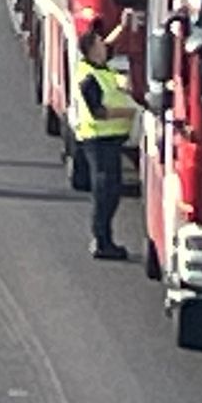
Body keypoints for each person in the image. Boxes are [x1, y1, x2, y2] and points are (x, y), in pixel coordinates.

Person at [75, 21, 136, 260]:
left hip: (110, 140)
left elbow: (110, 44)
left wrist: (123, 25)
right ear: (92, 50)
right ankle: (102, 241)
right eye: (99, 43)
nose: (104, 46)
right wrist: (132, 113)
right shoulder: (88, 78)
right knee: (105, 192)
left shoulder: (99, 67)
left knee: (113, 189)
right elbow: (98, 112)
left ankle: (105, 239)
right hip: (98, 141)